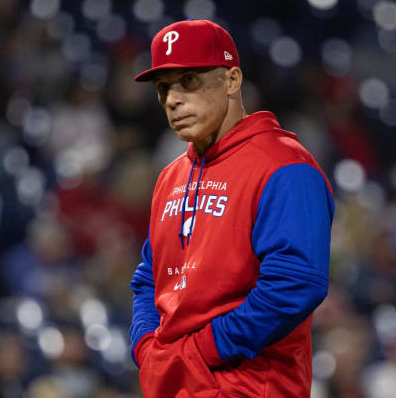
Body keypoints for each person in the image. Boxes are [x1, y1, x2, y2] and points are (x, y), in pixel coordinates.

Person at [129, 19, 335, 397]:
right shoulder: (171, 177)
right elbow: (149, 277)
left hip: (250, 387)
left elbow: (296, 283)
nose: (172, 99)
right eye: (163, 88)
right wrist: (146, 347)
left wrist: (203, 350)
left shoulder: (285, 166)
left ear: (232, 80)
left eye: (188, 81)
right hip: (174, 386)